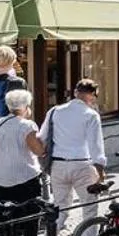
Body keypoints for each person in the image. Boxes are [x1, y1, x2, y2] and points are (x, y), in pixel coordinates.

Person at [0, 89, 47, 236]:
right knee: (31, 217)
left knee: (3, 217)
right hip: (25, 177)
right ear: (26, 106)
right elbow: (38, 151)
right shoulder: (27, 125)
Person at [41, 80, 108, 216]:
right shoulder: (91, 115)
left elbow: (42, 137)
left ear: (76, 93)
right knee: (90, 209)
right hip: (82, 164)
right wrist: (100, 171)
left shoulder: (54, 111)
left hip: (58, 165)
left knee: (60, 210)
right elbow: (95, 145)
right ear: (93, 95)